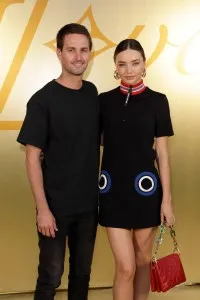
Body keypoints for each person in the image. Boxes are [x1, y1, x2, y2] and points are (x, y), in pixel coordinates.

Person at [17, 23, 99, 300]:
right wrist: (42, 209)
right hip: (54, 208)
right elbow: (31, 158)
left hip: (89, 207)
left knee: (82, 275)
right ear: (59, 52)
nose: (78, 56)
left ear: (91, 53)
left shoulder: (92, 93)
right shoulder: (42, 100)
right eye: (72, 50)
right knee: (50, 276)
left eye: (84, 50)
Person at [98, 39, 175, 300]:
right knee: (125, 266)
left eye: (135, 63)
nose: (129, 70)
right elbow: (86, 144)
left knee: (142, 263)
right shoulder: (103, 101)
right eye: (122, 64)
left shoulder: (159, 101)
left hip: (146, 192)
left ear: (144, 64)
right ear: (115, 67)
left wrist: (167, 202)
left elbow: (162, 154)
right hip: (112, 193)